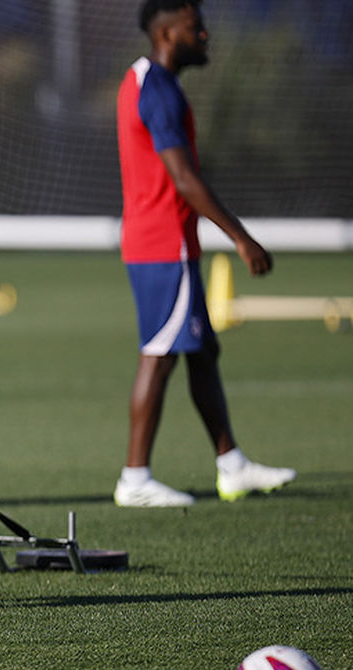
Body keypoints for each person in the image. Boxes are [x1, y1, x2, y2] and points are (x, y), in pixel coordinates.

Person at [113, 0, 295, 507]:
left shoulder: (145, 79)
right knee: (162, 354)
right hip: (161, 244)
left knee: (201, 354)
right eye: (197, 28)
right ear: (169, 33)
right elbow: (184, 178)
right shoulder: (159, 91)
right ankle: (135, 479)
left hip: (166, 243)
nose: (206, 35)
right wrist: (241, 237)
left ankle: (231, 465)